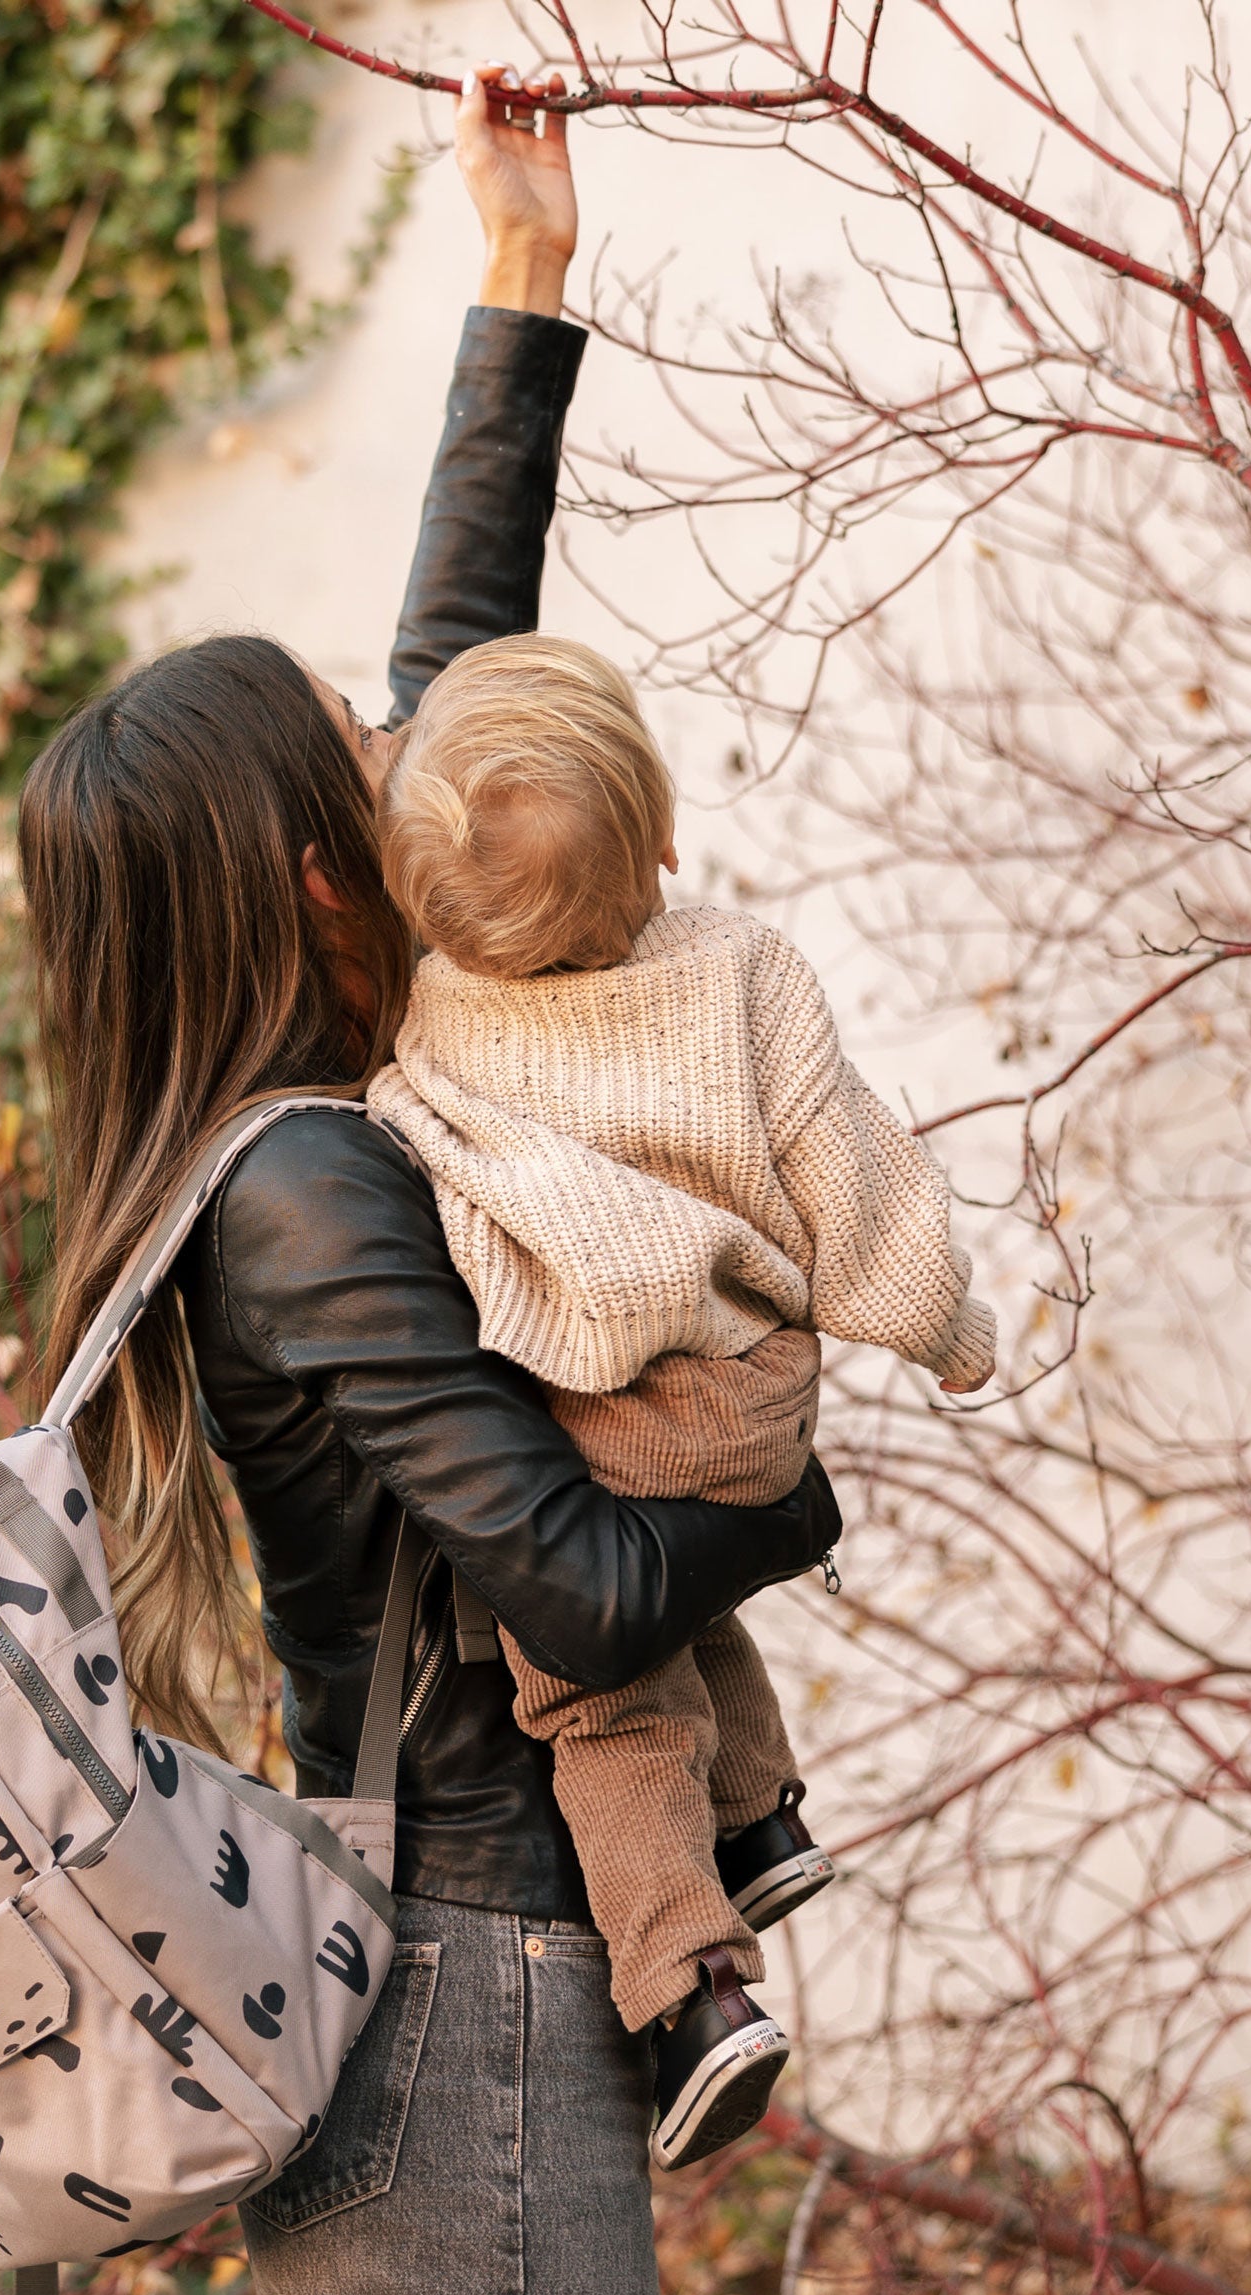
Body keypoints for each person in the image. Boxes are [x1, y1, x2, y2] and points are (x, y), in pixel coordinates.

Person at [17, 63, 842, 2295]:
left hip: (456, 1963)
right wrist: (789, 1482)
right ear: (316, 879)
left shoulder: (329, 1107)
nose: (417, 776)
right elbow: (575, 1582)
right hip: (460, 1981)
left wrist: (521, 268)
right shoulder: (311, 1187)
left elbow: (456, 654)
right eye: (364, 775)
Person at [367, 630, 998, 2167]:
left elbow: (435, 1169)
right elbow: (850, 1184)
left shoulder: (436, 1017)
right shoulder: (740, 966)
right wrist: (949, 1327)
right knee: (690, 1584)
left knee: (603, 1689)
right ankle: (764, 1818)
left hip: (600, 1402)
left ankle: (693, 1986)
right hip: (754, 1391)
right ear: (658, 833)